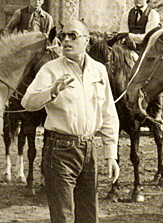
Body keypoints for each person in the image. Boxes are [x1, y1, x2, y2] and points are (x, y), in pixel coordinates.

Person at [21, 19, 120, 223]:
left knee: (89, 217)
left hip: (89, 150)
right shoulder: (51, 69)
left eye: (72, 36)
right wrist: (52, 91)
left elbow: (108, 112)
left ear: (86, 41)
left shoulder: (99, 70)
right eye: (62, 36)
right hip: (60, 151)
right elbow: (28, 102)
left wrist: (111, 155)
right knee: (63, 217)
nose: (66, 40)